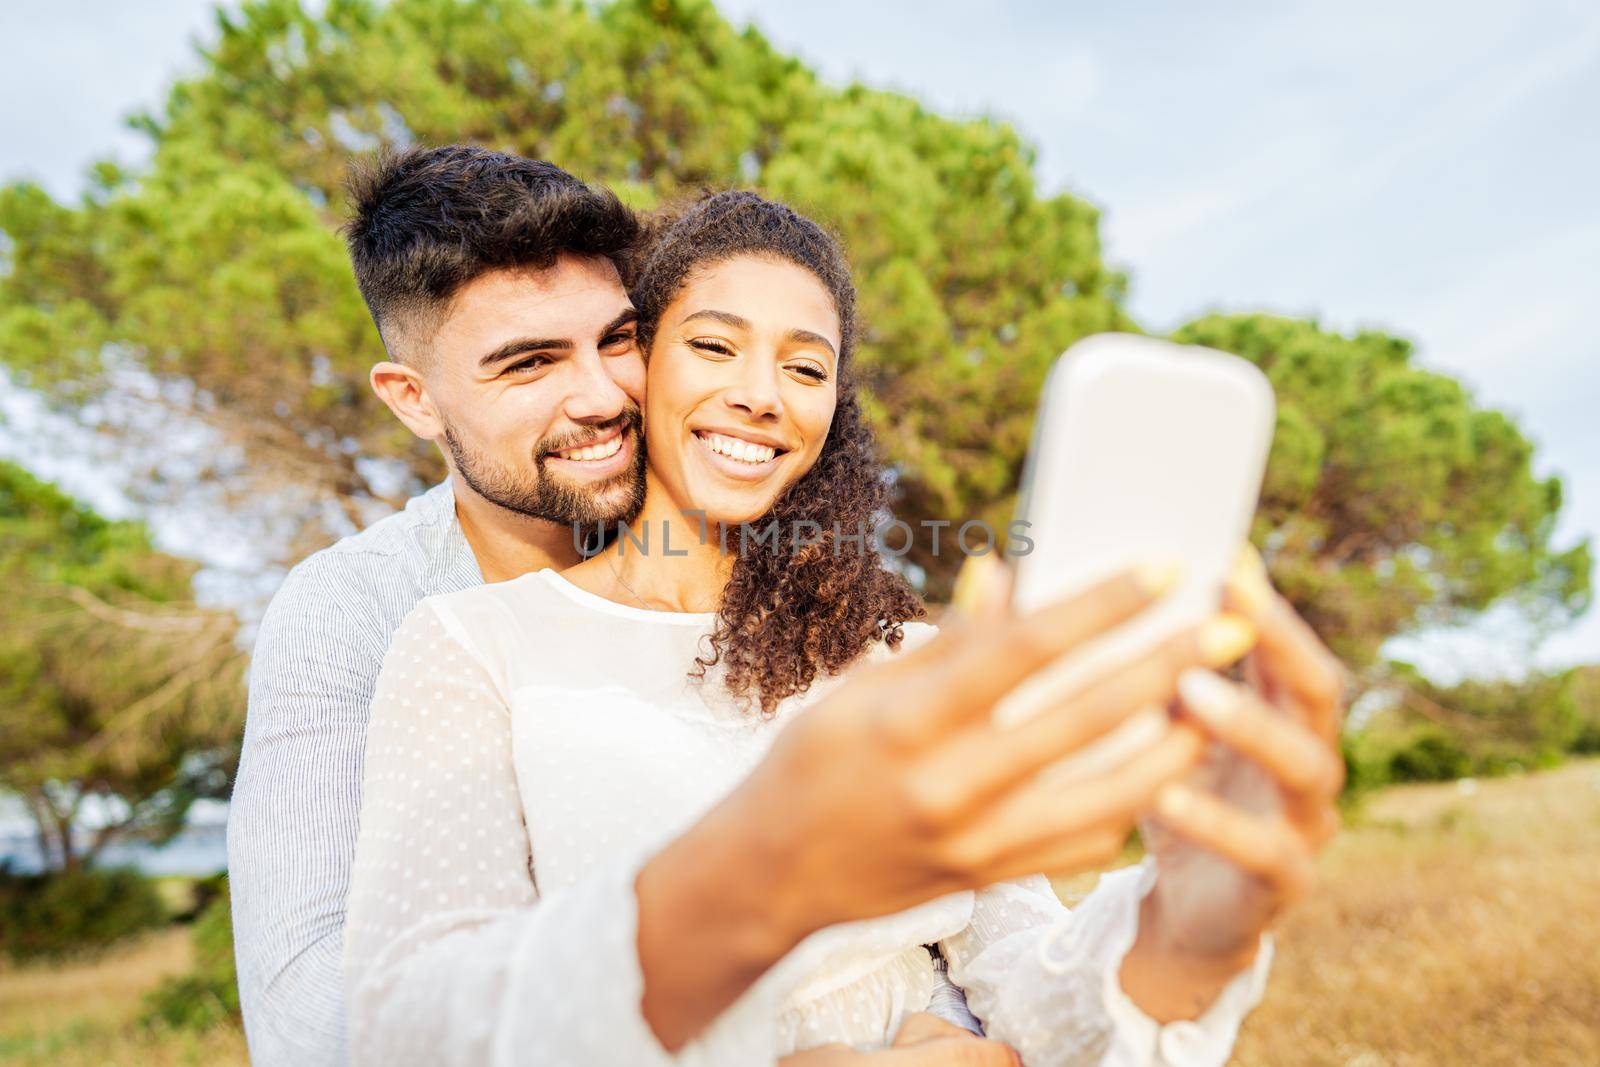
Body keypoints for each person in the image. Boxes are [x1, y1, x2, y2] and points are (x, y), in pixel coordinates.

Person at [342, 191, 1349, 1065]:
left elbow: (1020, 974)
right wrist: (769, 872)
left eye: (806, 367)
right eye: (713, 344)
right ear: (640, 361)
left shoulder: (898, 656)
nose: (758, 394)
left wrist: (1189, 929)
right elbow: (414, 1029)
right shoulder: (475, 644)